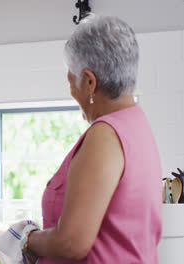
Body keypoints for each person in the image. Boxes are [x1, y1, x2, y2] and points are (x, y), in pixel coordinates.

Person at [22, 15, 162, 263]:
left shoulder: (105, 135)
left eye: (70, 79)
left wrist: (28, 239)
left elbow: (71, 243)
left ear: (89, 82)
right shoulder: (137, 124)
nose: (72, 91)